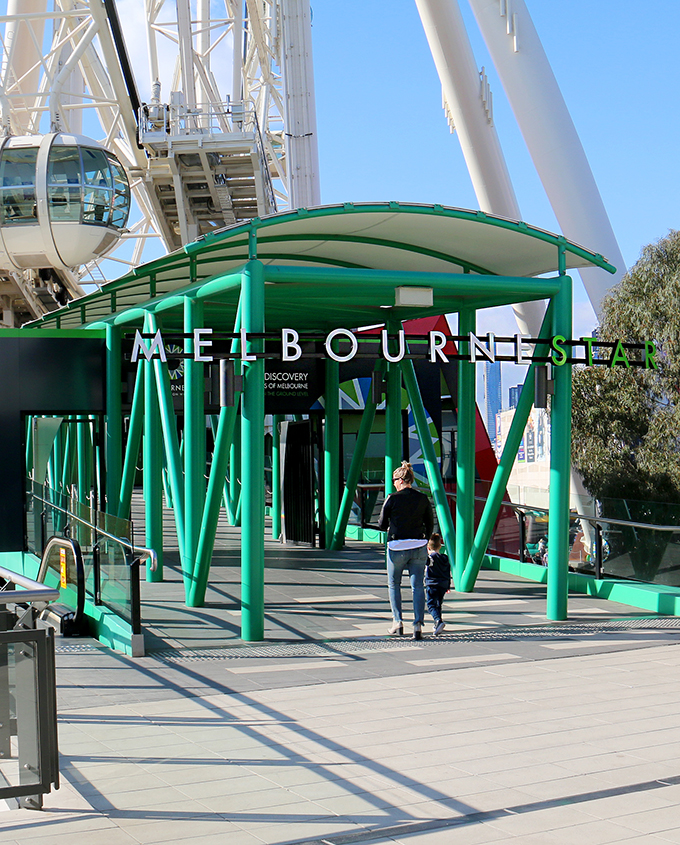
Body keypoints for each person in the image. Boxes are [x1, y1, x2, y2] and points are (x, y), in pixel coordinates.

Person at [378, 461, 434, 640]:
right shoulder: (423, 498)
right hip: (418, 546)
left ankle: (397, 622)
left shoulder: (392, 498)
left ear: (401, 480)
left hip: (397, 547)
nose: (393, 482)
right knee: (418, 586)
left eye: (394, 479)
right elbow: (430, 523)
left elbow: (381, 524)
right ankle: (418, 625)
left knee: (394, 584)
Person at [425, 533, 451, 636]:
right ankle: (437, 624)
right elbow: (447, 573)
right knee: (438, 604)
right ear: (440, 546)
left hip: (432, 584)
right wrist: (448, 586)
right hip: (443, 584)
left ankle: (437, 620)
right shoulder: (445, 558)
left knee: (431, 605)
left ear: (428, 547)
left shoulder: (430, 558)